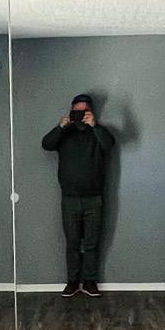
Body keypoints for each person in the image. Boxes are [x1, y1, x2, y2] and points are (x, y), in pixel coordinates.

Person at [40, 93, 115, 297]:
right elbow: (46, 144)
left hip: (95, 199)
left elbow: (109, 145)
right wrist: (60, 126)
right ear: (71, 111)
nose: (80, 114)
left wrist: (95, 126)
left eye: (84, 111)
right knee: (72, 243)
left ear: (90, 111)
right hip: (70, 199)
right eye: (76, 111)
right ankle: (73, 282)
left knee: (92, 244)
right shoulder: (65, 132)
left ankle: (90, 282)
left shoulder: (98, 133)